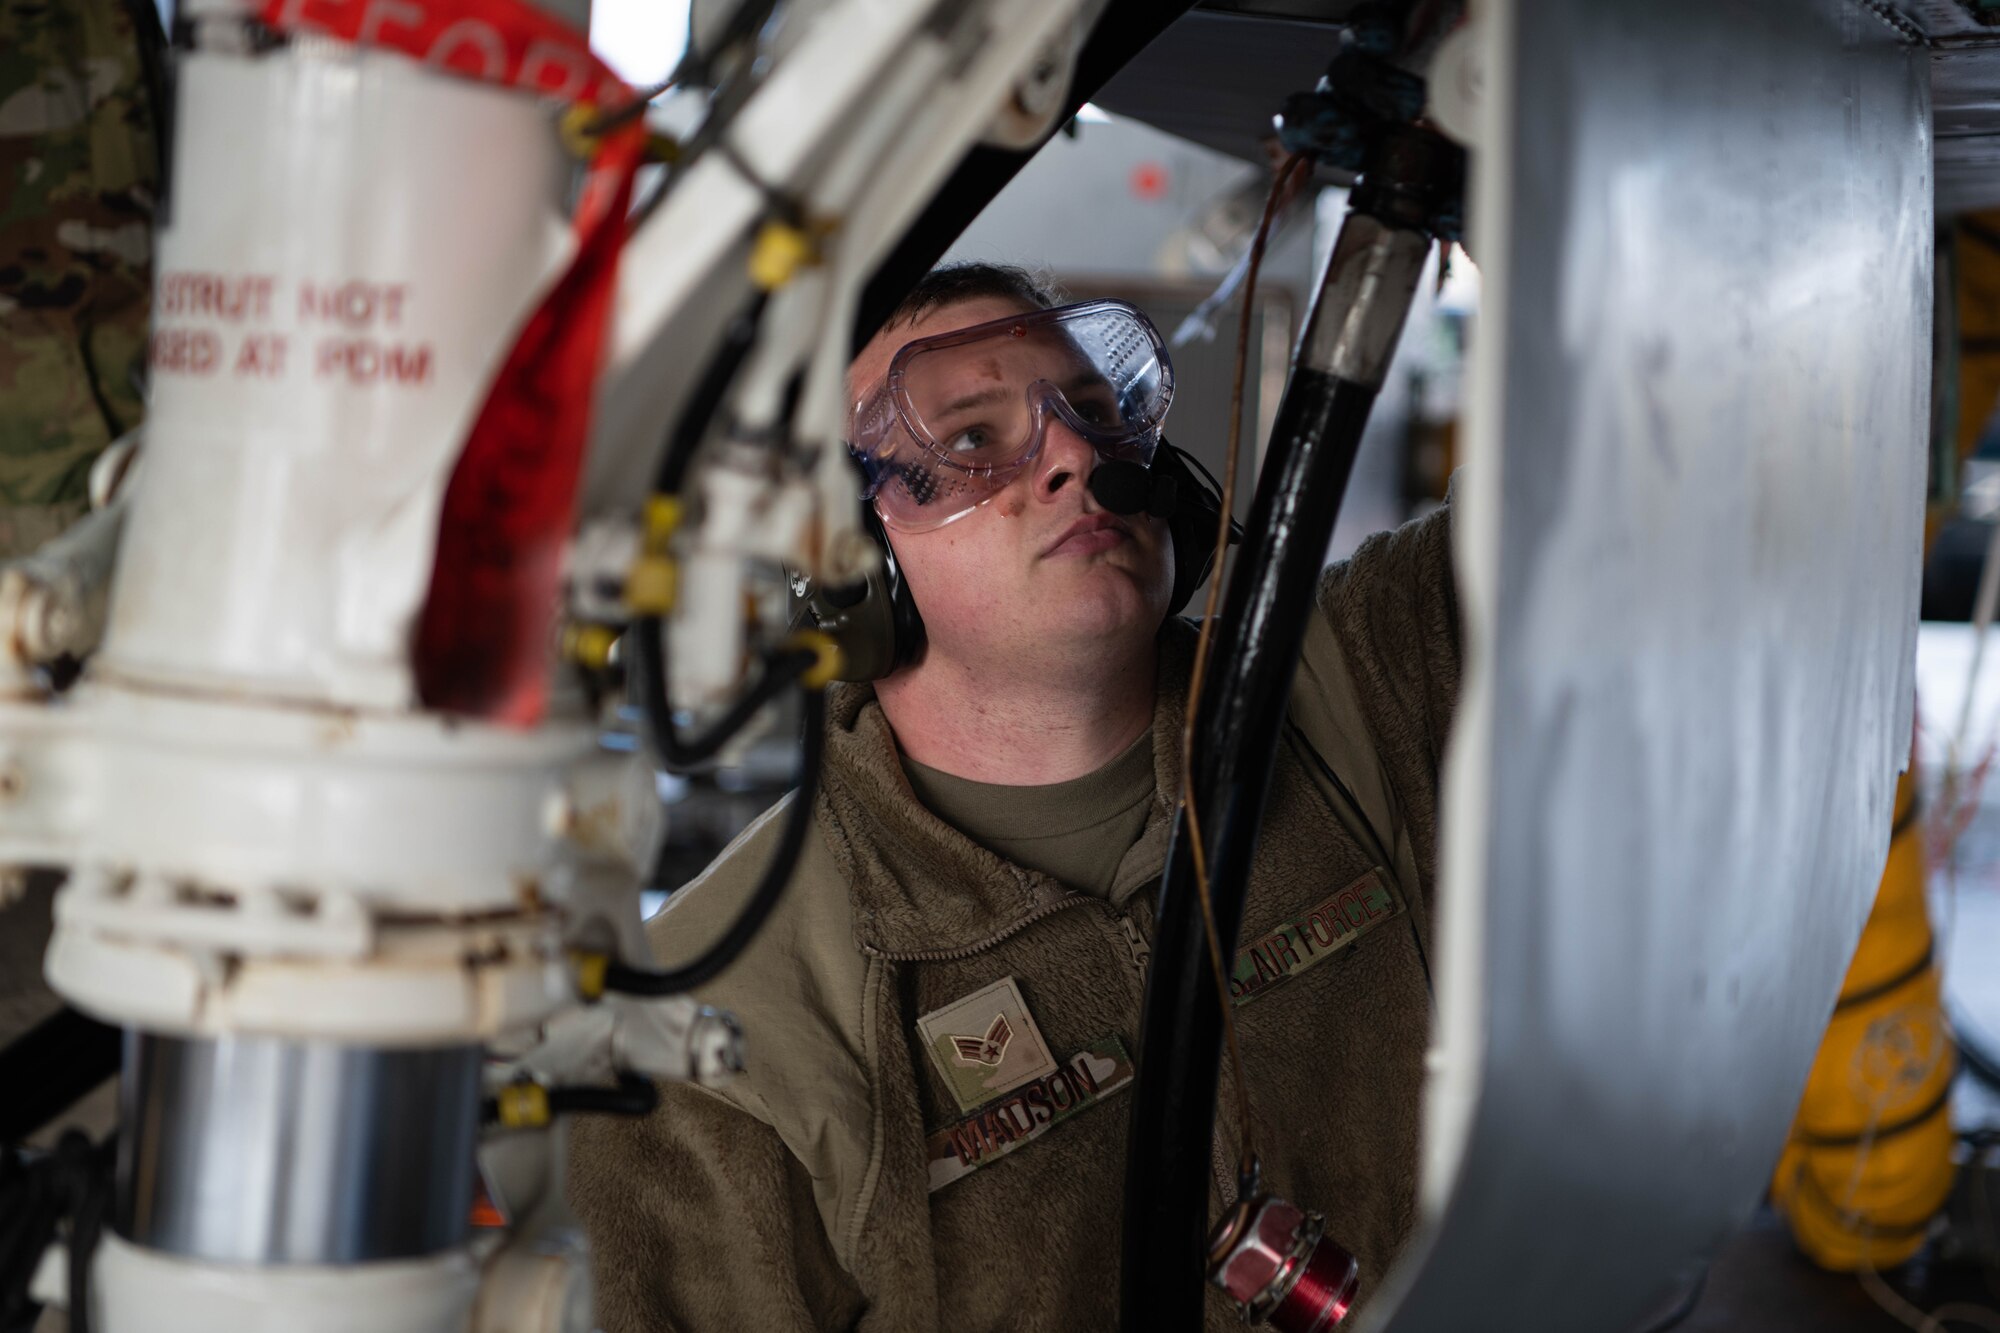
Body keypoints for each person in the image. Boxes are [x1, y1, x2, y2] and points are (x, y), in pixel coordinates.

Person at [569, 262, 1460, 1332]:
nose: (1075, 456)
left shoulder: (1368, 668)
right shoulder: (716, 1028)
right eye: (973, 441)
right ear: (843, 569)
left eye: (1090, 411)